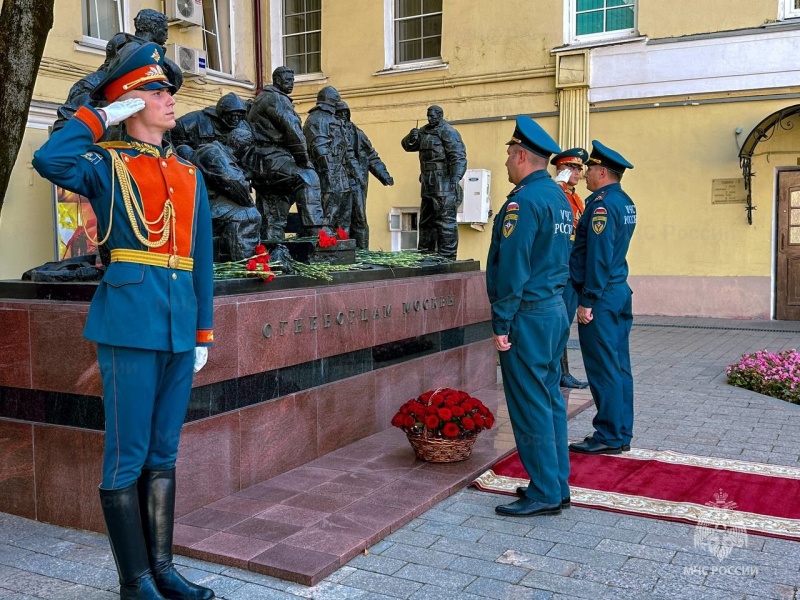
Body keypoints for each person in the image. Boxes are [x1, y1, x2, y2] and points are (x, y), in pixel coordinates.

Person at [32, 42, 215, 600]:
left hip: (179, 326)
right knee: (127, 454)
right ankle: (133, 582)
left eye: (167, 91)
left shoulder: (188, 170)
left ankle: (162, 570)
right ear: (130, 102)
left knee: (164, 453)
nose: (169, 100)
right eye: (157, 92)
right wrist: (100, 114)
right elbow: (50, 160)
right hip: (128, 323)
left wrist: (203, 331)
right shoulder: (105, 163)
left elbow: (201, 255)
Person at [486, 116, 573, 517]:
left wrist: (501, 323)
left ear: (521, 155)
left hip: (528, 315)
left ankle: (544, 493)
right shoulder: (558, 197)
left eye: (508, 154)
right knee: (550, 397)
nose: (505, 162)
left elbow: (513, 268)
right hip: (553, 309)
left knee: (530, 403)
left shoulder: (524, 201)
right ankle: (556, 484)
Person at [567, 141, 636, 456]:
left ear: (603, 171)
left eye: (590, 169)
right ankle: (620, 432)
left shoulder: (601, 206)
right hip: (618, 291)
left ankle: (608, 433)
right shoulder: (624, 201)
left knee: (603, 367)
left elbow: (599, 256)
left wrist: (588, 300)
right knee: (619, 365)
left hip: (602, 295)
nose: (585, 175)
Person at [244, 66, 326, 239]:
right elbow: (293, 132)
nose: (291, 85)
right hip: (270, 158)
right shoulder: (276, 99)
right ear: (277, 81)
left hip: (263, 161)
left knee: (274, 209)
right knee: (307, 178)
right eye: (288, 81)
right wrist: (304, 161)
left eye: (293, 81)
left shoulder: (266, 98)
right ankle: (316, 232)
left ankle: (273, 247)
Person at [401, 105, 466, 259]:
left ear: (440, 115)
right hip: (427, 181)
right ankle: (425, 255)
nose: (429, 119)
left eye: (432, 116)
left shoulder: (448, 132)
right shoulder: (423, 131)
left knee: (445, 221)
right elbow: (407, 146)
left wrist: (456, 177)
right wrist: (412, 136)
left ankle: (447, 257)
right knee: (425, 221)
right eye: (428, 116)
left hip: (443, 180)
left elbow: (458, 156)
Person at [551, 148, 590, 390]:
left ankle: (562, 371)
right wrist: (558, 184)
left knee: (565, 324)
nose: (578, 172)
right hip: (562, 269)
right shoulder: (558, 193)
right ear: (562, 169)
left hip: (573, 270)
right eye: (573, 168)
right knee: (560, 323)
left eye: (579, 168)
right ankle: (558, 373)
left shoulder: (575, 197)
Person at [336, 100, 394, 249]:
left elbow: (371, 156)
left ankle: (362, 253)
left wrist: (384, 175)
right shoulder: (332, 133)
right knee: (341, 220)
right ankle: (343, 253)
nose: (342, 116)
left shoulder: (357, 133)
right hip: (337, 182)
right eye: (339, 113)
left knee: (359, 219)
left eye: (345, 113)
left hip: (356, 181)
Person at [303, 86, 353, 235]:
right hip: (327, 173)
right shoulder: (317, 119)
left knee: (344, 210)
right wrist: (329, 171)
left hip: (340, 172)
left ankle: (343, 242)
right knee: (328, 211)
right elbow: (319, 147)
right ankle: (328, 243)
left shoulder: (333, 119)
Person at [170, 92, 248, 150]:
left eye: (239, 116)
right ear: (222, 113)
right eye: (232, 115)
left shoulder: (243, 128)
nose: (235, 119)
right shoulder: (187, 124)